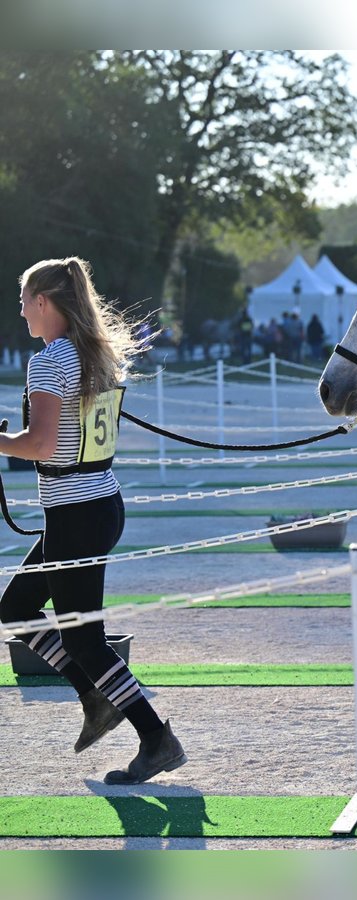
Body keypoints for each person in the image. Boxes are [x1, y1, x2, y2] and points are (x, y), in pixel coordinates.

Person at [0, 257, 186, 784]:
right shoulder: (96, 354)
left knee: (85, 638)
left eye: (23, 301)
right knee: (16, 608)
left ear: (44, 301)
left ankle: (155, 738)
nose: (21, 312)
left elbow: (38, 444)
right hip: (100, 504)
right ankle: (95, 699)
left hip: (75, 513)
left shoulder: (49, 362)